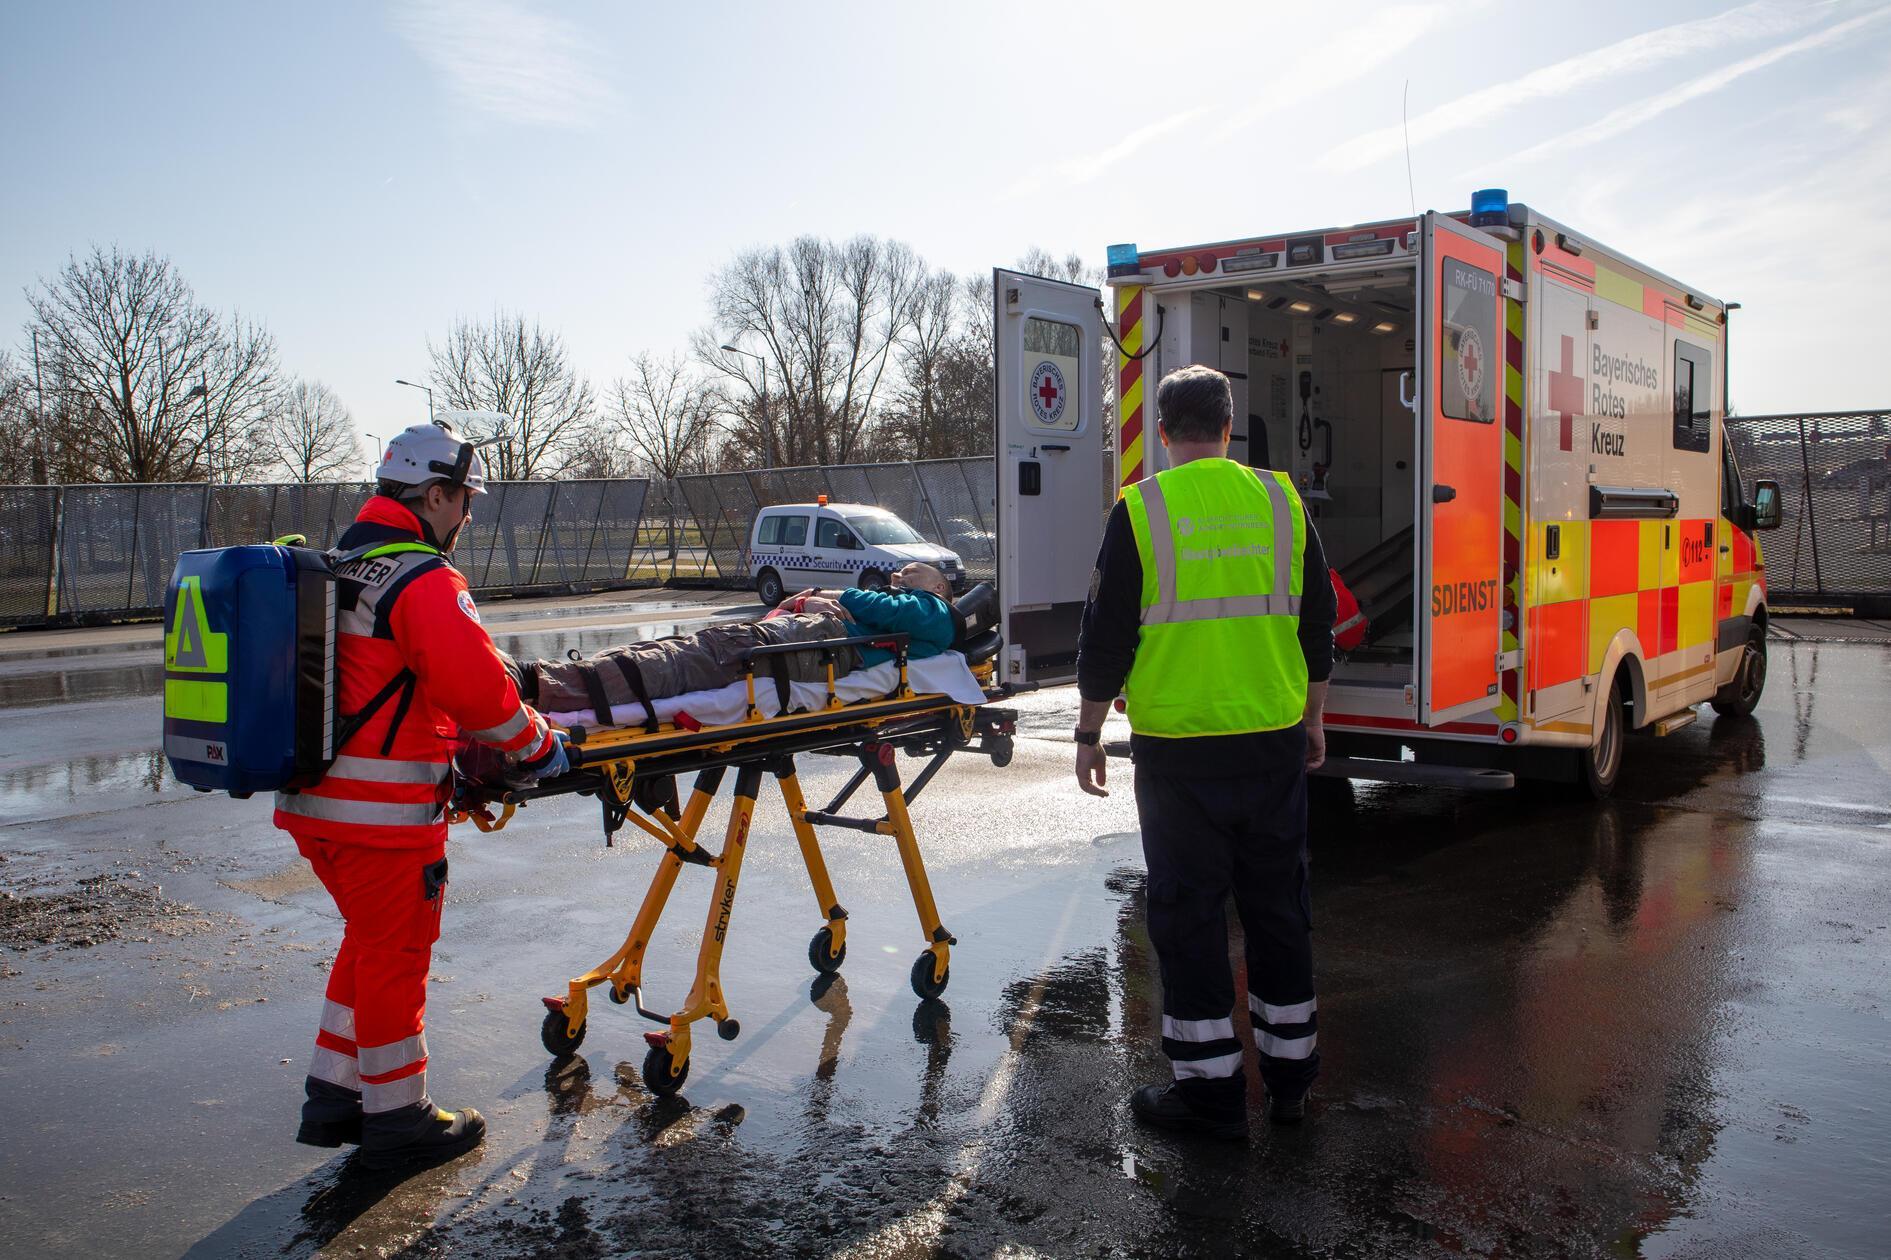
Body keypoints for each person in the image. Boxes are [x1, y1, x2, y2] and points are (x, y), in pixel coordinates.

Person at [277, 422, 568, 1171]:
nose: (465, 518)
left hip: (316, 808)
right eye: (463, 502)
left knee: (368, 945)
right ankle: (400, 1117)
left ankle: (338, 1093)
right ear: (434, 495)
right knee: (397, 955)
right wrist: (537, 746)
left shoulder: (337, 566)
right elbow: (478, 693)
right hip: (383, 819)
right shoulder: (419, 578)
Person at [1073, 365, 1336, 1141]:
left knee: (1188, 920)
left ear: (1161, 432)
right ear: (1230, 427)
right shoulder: (1282, 503)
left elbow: (1105, 637)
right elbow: (1315, 626)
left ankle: (1211, 1096)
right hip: (1271, 742)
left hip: (1179, 755)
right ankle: (1290, 1082)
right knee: (1278, 912)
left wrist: (1087, 733)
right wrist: (1312, 719)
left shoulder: (1141, 509)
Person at [782, 562, 958, 667]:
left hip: (824, 643)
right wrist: (807, 600)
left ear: (938, 587)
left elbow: (881, 607)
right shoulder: (919, 615)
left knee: (758, 640)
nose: (895, 575)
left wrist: (813, 594)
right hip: (816, 638)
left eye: (909, 572)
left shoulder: (938, 612)